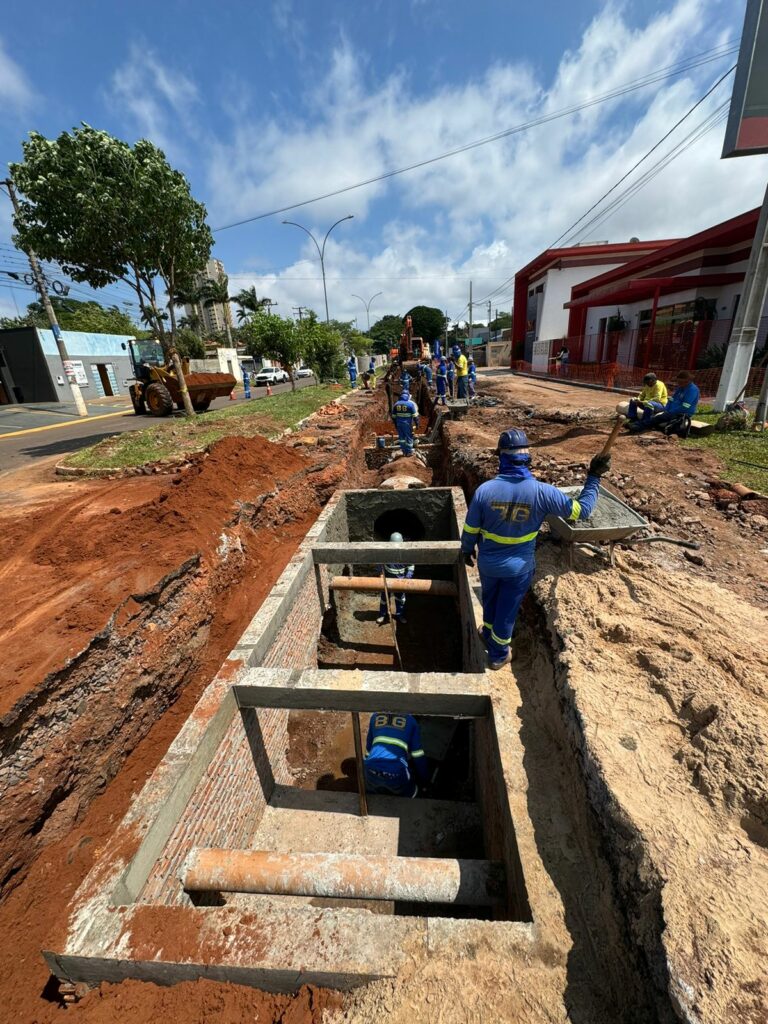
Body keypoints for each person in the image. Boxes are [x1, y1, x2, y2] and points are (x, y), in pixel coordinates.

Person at [461, 429, 608, 670]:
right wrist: (593, 478)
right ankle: (498, 655)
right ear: (527, 458)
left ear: (501, 457)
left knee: (490, 599)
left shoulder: (484, 491)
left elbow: (470, 529)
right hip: (518, 568)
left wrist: (466, 550)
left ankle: (487, 634)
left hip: (488, 563)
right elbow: (581, 511)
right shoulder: (543, 492)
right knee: (507, 610)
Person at [364, 712, 429, 798]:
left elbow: (368, 750)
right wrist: (425, 782)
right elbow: (418, 756)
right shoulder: (411, 721)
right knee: (413, 792)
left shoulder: (375, 716)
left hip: (371, 770)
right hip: (396, 773)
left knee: (371, 793)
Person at [647, 370, 700, 437]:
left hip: (682, 413)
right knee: (656, 417)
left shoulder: (692, 390)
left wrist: (671, 412)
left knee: (657, 419)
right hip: (671, 411)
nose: (678, 383)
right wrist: (666, 409)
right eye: (678, 382)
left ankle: (639, 425)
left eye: (680, 382)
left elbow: (685, 407)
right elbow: (671, 399)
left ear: (687, 381)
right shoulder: (680, 388)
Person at [377, 531, 414, 624]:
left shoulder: (406, 554)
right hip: (387, 579)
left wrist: (407, 577)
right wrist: (381, 573)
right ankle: (382, 615)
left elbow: (411, 566)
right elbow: (380, 563)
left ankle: (399, 615)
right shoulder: (386, 552)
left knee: (400, 599)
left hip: (400, 580)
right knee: (384, 598)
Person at [391, 388, 419, 456]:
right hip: (407, 424)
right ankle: (409, 452)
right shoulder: (410, 404)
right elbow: (415, 416)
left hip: (399, 424)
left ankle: (404, 451)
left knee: (401, 438)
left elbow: (393, 417)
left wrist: (395, 425)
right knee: (409, 437)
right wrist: (417, 424)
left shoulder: (396, 404)